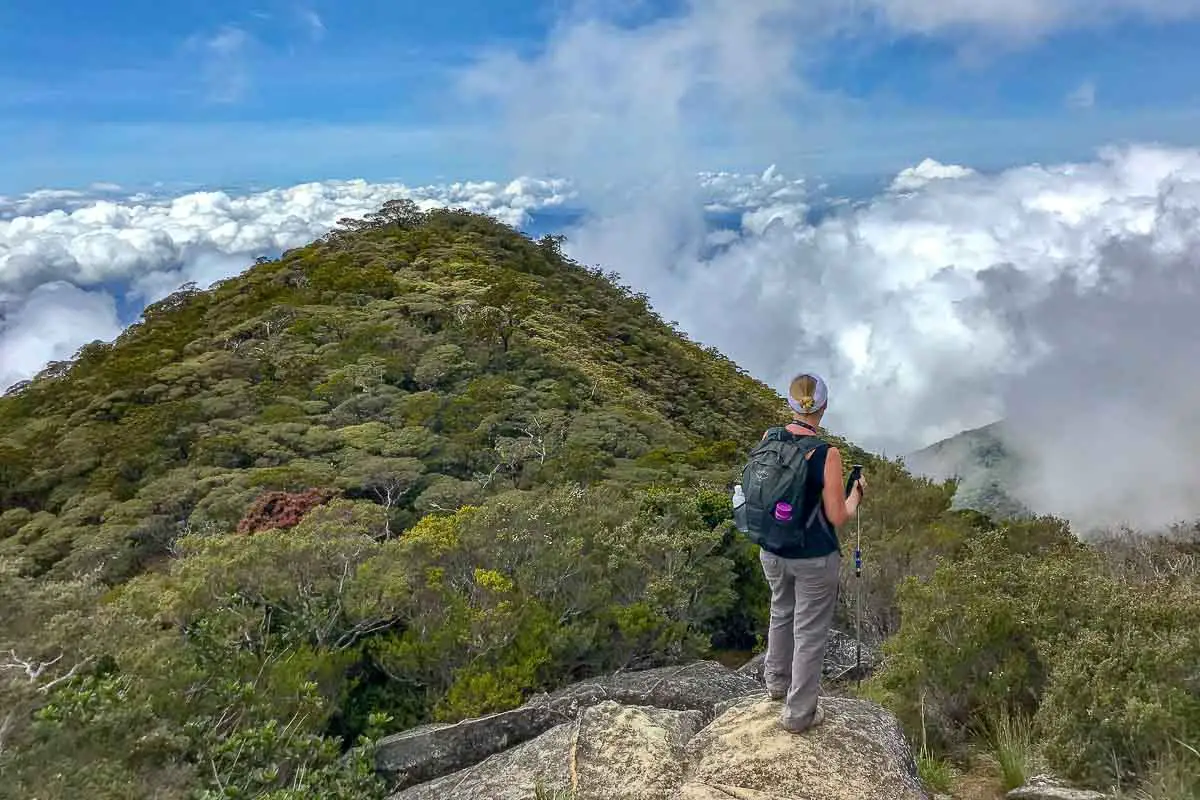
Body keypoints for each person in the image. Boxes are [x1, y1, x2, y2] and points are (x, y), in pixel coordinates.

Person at [759, 372, 865, 733]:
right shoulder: (826, 454)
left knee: (781, 612)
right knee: (809, 632)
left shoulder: (769, 438)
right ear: (824, 406)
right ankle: (799, 714)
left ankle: (775, 684)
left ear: (790, 404)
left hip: (772, 548)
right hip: (813, 556)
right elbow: (837, 515)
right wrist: (856, 496)